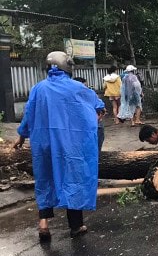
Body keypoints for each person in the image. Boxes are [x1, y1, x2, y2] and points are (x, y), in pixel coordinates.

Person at [13, 51, 105, 241]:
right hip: (70, 144)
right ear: (67, 66)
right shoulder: (78, 88)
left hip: (43, 143)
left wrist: (21, 137)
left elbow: (28, 114)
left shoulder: (38, 88)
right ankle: (76, 226)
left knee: (44, 179)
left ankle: (43, 224)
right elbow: (99, 106)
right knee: (73, 178)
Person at [74, 77, 106, 155]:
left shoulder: (69, 96)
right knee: (94, 151)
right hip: (93, 126)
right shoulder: (90, 94)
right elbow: (102, 109)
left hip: (77, 128)